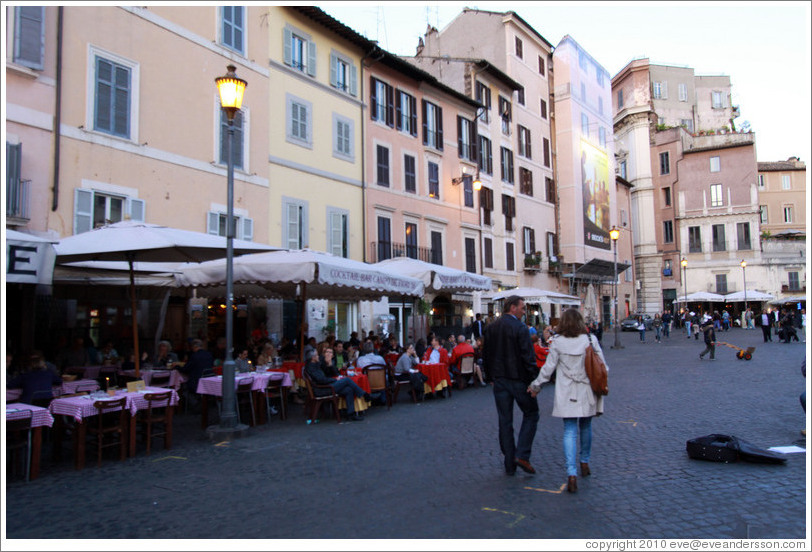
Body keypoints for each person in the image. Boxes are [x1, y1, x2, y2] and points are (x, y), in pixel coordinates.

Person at [528, 308, 607, 493]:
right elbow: (603, 366)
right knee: (586, 426)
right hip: (587, 389)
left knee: (569, 431)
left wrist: (535, 386)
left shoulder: (557, 342)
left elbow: (548, 369)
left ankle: (571, 473)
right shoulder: (589, 340)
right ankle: (585, 462)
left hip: (566, 392)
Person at [482, 295, 540, 476]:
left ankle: (509, 463)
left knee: (504, 420)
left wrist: (490, 376)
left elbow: (487, 354)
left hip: (499, 380)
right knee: (531, 413)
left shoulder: (491, 328)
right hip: (519, 379)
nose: (524, 312)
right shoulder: (521, 328)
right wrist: (534, 381)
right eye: (523, 308)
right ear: (513, 308)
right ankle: (521, 454)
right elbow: (528, 357)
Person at [304, 350, 371, 422]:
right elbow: (321, 380)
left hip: (324, 386)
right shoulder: (312, 367)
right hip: (322, 389)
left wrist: (329, 364)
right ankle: (364, 394)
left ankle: (351, 413)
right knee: (347, 380)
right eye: (317, 355)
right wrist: (335, 380)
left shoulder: (315, 365)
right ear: (313, 358)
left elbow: (329, 375)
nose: (318, 356)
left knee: (348, 389)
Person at [179, 339, 214, 409]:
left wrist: (176, 367)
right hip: (208, 380)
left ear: (193, 347)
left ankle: (196, 404)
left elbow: (185, 369)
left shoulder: (194, 356)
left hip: (196, 382)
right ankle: (200, 402)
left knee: (182, 388)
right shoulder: (209, 354)